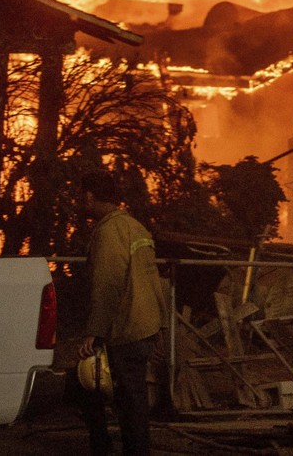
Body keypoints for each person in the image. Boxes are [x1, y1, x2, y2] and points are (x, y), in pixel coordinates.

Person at [76, 169, 164, 456]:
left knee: (122, 399)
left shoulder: (109, 231)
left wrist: (94, 331)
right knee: (133, 399)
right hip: (145, 326)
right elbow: (154, 280)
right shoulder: (135, 227)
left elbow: (108, 284)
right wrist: (160, 326)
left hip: (127, 329)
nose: (80, 201)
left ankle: (117, 449)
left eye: (81, 195)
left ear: (89, 196)